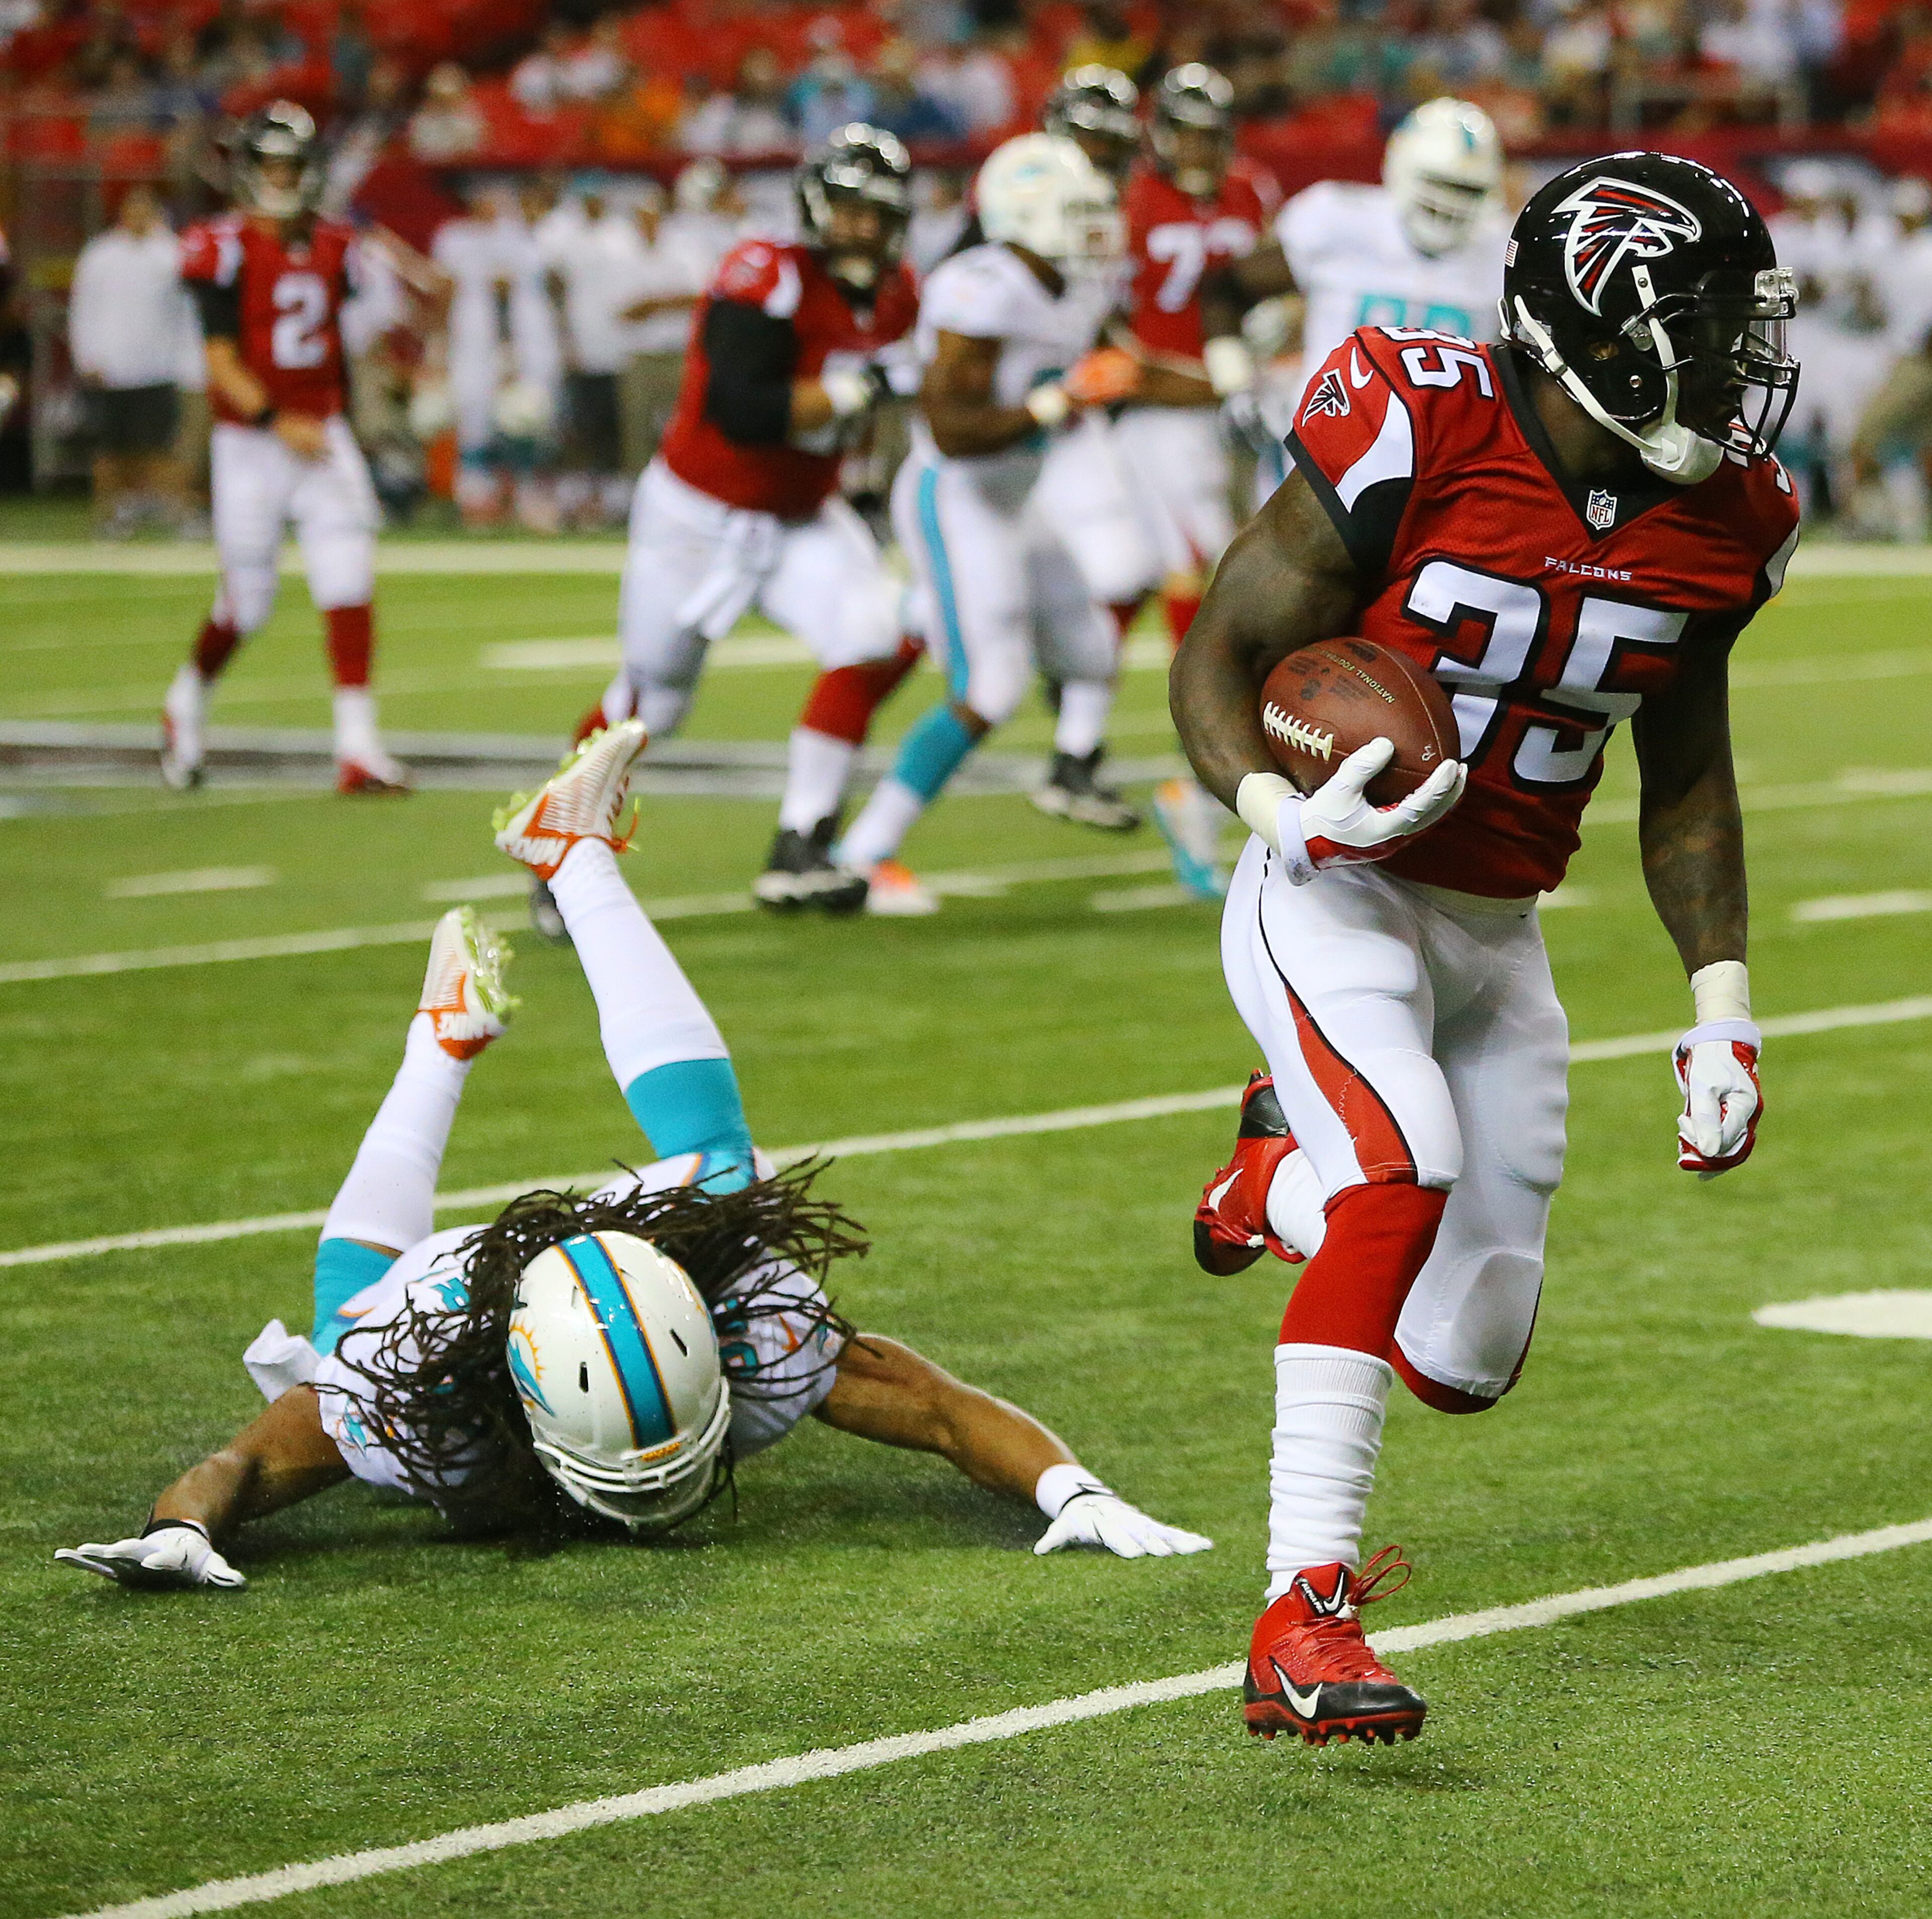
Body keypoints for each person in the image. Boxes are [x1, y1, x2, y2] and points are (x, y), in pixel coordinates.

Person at [56, 723, 1213, 1589]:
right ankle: (446, 1034)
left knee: (726, 1186)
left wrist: (1074, 1487)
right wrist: (178, 1527)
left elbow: (939, 1406)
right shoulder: (426, 1404)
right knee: (350, 1318)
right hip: (462, 1303)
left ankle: (566, 868)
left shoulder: (754, 1336)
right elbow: (248, 1464)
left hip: (638, 1257)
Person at [1171, 152, 1799, 1746]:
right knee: (1403, 1169)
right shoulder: (1417, 416)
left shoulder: (1722, 516)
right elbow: (1222, 648)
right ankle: (1297, 1613)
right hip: (1331, 886)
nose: (1733, 360)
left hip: (1495, 921)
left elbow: (1686, 771)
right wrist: (1270, 802)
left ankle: (1268, 1182)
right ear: (1592, 325)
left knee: (1462, 1353)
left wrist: (1719, 1002)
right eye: (1704, 324)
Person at [551, 128, 925, 933]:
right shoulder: (766, 273)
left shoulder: (899, 293)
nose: (864, 228)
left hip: (800, 516)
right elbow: (743, 409)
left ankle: (802, 841)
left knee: (874, 632)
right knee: (654, 701)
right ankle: (562, 848)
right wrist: (862, 391)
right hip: (699, 515)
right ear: (818, 206)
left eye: (879, 214)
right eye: (852, 210)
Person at [828, 134, 1140, 912]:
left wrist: (1236, 385)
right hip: (957, 492)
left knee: (1092, 650)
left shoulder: (1076, 285)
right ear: (1026, 215)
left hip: (1015, 496)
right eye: (1076, 210)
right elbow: (952, 427)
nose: (1094, 223)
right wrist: (1058, 402)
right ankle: (864, 853)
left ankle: (935, 618)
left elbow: (1122, 364)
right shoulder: (983, 289)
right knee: (991, 685)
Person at [163, 102, 407, 794]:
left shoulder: (337, 245)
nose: (279, 176)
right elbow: (219, 358)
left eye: (290, 165)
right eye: (270, 164)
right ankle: (186, 701)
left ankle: (358, 747)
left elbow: (347, 345)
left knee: (349, 577)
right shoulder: (224, 246)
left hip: (320, 434)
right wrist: (276, 420)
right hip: (252, 441)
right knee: (248, 603)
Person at [1110, 64, 1277, 897]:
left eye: (1214, 132)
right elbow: (1106, 323)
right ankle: (1200, 766)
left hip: (1235, 406)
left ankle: (1207, 782)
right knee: (1212, 586)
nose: (1202, 149)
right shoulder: (1133, 201)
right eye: (1190, 132)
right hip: (1161, 415)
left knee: (1257, 578)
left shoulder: (1252, 194)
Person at [69, 184, 191, 537]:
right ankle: (111, 514)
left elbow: (185, 312)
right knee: (109, 448)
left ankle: (173, 510)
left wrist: (184, 361)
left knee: (161, 446)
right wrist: (87, 356)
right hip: (111, 367)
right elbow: (83, 308)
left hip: (158, 366)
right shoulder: (100, 254)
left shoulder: (170, 253)